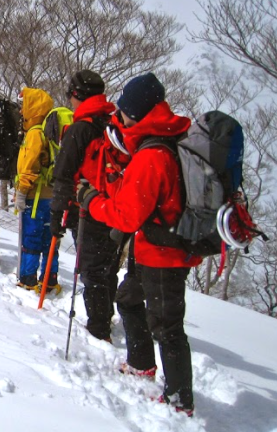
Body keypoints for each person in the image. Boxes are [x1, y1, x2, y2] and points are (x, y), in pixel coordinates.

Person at [81, 72, 200, 417]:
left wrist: (91, 202)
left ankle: (179, 400)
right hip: (151, 245)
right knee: (129, 299)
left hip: (165, 253)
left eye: (125, 109)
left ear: (139, 111)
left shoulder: (153, 154)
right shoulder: (163, 139)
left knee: (167, 326)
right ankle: (141, 363)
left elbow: (127, 216)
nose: (121, 116)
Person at [49, 69, 121, 342]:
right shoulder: (112, 123)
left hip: (88, 207)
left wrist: (57, 214)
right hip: (115, 204)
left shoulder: (79, 128)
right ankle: (106, 315)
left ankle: (98, 328)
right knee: (107, 265)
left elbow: (63, 174)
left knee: (91, 269)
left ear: (77, 95)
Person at [14, 87, 61, 294]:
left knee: (31, 237)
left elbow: (28, 167)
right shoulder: (51, 130)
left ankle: (27, 278)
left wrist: (22, 192)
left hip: (36, 195)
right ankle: (49, 280)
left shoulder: (34, 134)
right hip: (52, 194)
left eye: (24, 106)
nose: (21, 112)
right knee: (49, 239)